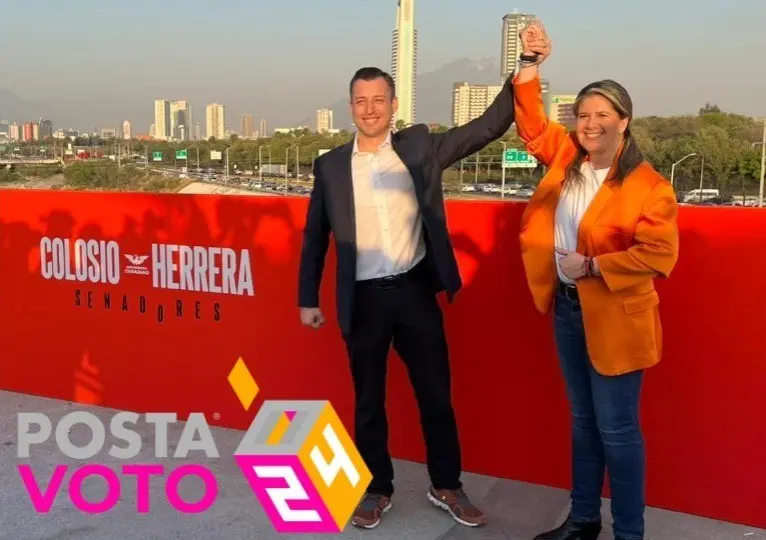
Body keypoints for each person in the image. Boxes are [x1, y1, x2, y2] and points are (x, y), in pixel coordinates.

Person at [297, 66, 516, 529]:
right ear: (351, 106)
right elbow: (315, 238)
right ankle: (376, 489)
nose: (370, 109)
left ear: (393, 105)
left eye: (379, 100)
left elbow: (489, 126)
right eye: (361, 101)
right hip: (364, 300)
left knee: (436, 395)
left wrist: (526, 71)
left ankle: (446, 484)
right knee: (368, 401)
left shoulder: (420, 149)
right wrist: (307, 298)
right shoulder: (332, 165)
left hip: (415, 293)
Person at [511, 22, 679, 540]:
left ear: (624, 122)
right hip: (567, 310)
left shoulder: (649, 186)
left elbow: (660, 253)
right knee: (584, 424)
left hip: (617, 317)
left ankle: (629, 532)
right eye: (583, 115)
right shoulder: (567, 160)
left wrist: (596, 266)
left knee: (618, 431)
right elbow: (533, 126)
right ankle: (583, 521)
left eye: (602, 115)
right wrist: (530, 64)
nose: (590, 124)